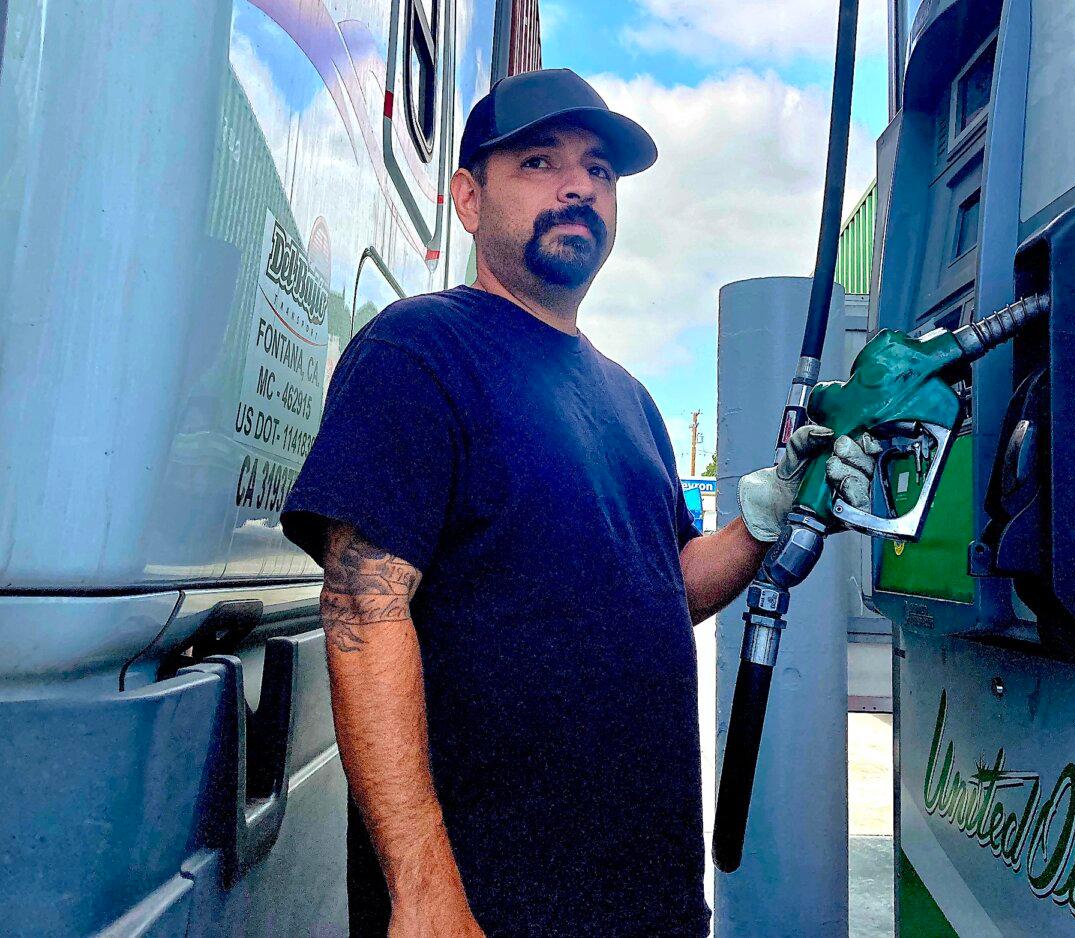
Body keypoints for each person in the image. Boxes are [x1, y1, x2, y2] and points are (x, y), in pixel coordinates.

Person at [281, 68, 876, 938]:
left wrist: (769, 516)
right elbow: (364, 613)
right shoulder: (419, 350)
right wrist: (422, 894)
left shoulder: (628, 399)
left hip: (647, 898)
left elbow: (667, 589)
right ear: (468, 197)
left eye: (600, 170)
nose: (578, 187)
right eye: (539, 162)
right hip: (488, 904)